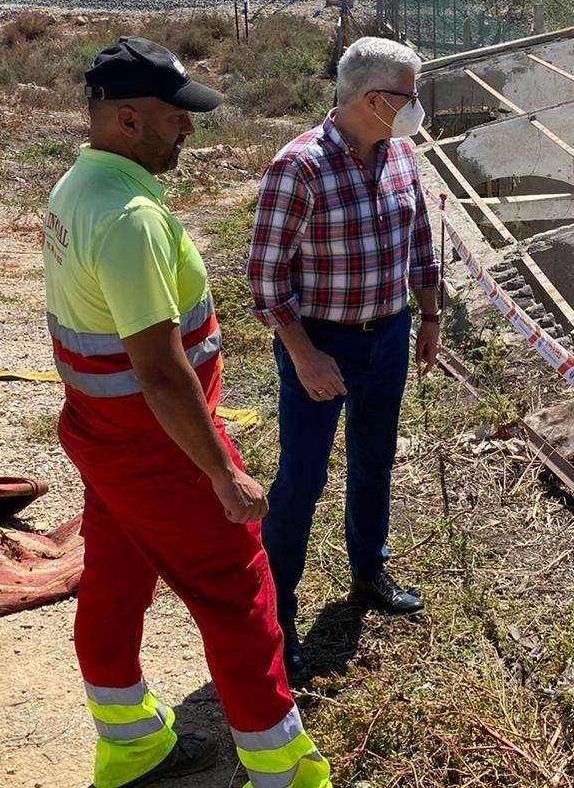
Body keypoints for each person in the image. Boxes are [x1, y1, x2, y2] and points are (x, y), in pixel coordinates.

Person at [44, 37, 330, 788]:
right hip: (159, 446)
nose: (189, 130)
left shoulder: (77, 187)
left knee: (115, 581)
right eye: (177, 117)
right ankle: (284, 771)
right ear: (129, 120)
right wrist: (221, 474)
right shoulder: (130, 218)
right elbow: (161, 371)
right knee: (239, 592)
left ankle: (131, 743)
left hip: (103, 434)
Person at [247, 36, 442, 681]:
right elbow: (267, 279)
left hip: (388, 335)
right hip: (322, 344)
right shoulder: (299, 167)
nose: (417, 106)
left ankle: (369, 570)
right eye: (409, 95)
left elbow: (420, 241)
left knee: (374, 458)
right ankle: (277, 615)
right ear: (373, 99)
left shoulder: (401, 155)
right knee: (302, 479)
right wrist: (304, 356)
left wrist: (429, 317)